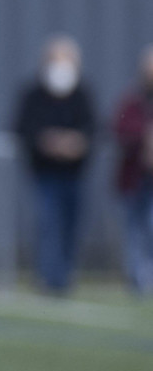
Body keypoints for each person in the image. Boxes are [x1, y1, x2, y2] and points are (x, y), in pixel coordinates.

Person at [13, 33, 95, 295]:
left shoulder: (82, 94)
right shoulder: (33, 94)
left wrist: (76, 144)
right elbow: (22, 128)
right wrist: (47, 142)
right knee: (48, 225)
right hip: (44, 174)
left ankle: (64, 277)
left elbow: (93, 129)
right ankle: (48, 278)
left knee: (71, 226)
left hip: (74, 175)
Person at [113, 43, 153, 296]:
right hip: (136, 180)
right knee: (136, 233)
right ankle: (139, 282)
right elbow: (121, 129)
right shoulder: (133, 101)